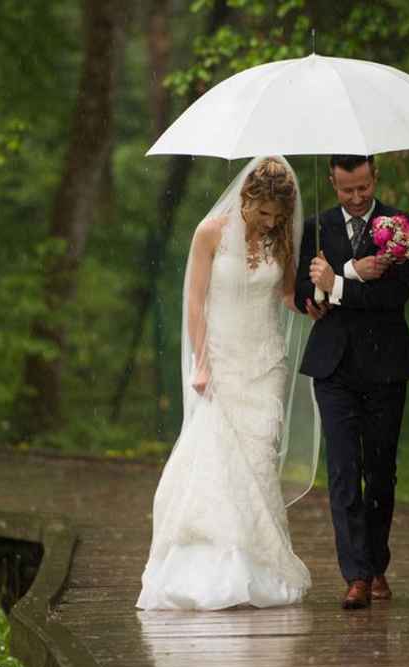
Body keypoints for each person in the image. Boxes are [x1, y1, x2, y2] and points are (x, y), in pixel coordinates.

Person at [137, 156, 319, 611]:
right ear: (246, 198)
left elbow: (286, 294)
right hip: (221, 360)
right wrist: (201, 362)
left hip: (265, 362)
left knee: (258, 461)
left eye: (279, 216)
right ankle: (218, 567)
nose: (271, 222)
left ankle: (259, 567)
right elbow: (195, 303)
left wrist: (315, 296)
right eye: (263, 213)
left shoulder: (280, 240)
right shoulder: (210, 233)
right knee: (216, 460)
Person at [295, 154, 409, 609]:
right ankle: (356, 576)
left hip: (386, 366)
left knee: (380, 471)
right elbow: (300, 291)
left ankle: (376, 563)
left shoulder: (402, 226)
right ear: (331, 181)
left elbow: (394, 295)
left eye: (363, 188)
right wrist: (323, 290)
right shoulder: (315, 227)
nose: (355, 197)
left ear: (375, 177)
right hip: (333, 368)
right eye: (347, 189)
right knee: (344, 471)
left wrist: (338, 285)